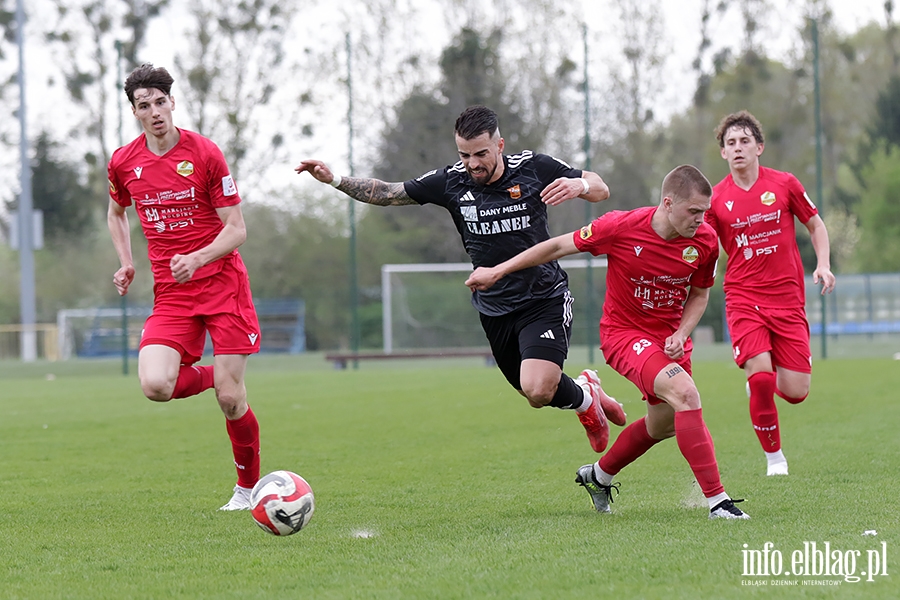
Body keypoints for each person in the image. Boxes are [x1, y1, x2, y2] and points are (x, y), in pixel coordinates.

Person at [296, 105, 626, 454]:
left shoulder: (533, 167)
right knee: (533, 396)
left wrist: (578, 183)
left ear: (500, 145)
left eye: (481, 154)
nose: (473, 164)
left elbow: (599, 188)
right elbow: (388, 193)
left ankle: (586, 403)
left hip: (543, 296)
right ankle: (587, 393)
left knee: (539, 387)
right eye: (465, 155)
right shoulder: (451, 180)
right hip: (494, 306)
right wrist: (334, 180)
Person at [466, 165, 750, 520]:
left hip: (668, 342)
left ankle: (598, 476)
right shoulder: (620, 226)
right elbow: (557, 246)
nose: (700, 220)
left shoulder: (705, 241)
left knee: (663, 425)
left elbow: (700, 294)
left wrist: (682, 332)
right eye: (693, 211)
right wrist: (499, 270)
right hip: (624, 335)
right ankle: (719, 503)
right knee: (687, 394)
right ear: (667, 203)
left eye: (704, 212)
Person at [107, 63, 262, 510]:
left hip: (222, 284)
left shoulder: (206, 153)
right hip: (172, 294)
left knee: (232, 401)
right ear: (134, 112)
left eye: (160, 102)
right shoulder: (123, 162)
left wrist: (197, 257)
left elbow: (236, 229)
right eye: (144, 105)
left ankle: (247, 490)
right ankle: (220, 376)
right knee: (155, 384)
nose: (154, 111)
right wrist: (127, 263)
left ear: (172, 102)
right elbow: (116, 213)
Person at [706, 110, 836, 477]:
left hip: (788, 299)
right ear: (723, 153)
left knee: (795, 391)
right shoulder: (716, 199)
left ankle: (760, 388)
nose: (738, 148)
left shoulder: (784, 184)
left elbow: (815, 223)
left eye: (745, 141)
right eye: (730, 143)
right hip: (743, 297)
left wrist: (823, 264)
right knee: (761, 376)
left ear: (759, 147)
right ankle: (775, 459)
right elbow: (707, 245)